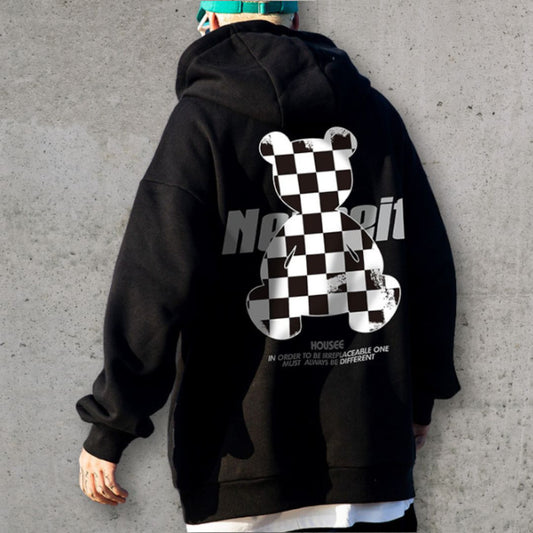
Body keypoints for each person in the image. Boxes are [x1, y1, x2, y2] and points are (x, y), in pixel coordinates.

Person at [76, 1, 461, 531]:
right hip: (371, 456)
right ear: (295, 22)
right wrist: (420, 397)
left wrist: (112, 426)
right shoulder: (376, 114)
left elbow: (154, 282)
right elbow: (429, 267)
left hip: (242, 470)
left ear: (209, 22)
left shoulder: (203, 121)